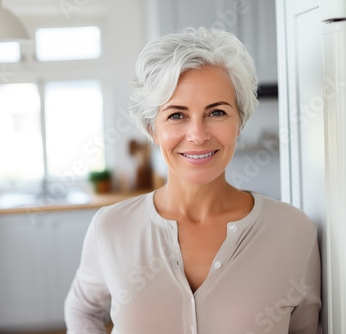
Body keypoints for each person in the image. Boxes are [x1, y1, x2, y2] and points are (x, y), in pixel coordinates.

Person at [64, 27, 321, 334]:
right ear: (152, 129)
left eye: (216, 112)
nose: (198, 135)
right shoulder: (111, 228)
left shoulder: (294, 232)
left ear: (239, 122)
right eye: (176, 115)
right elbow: (81, 310)